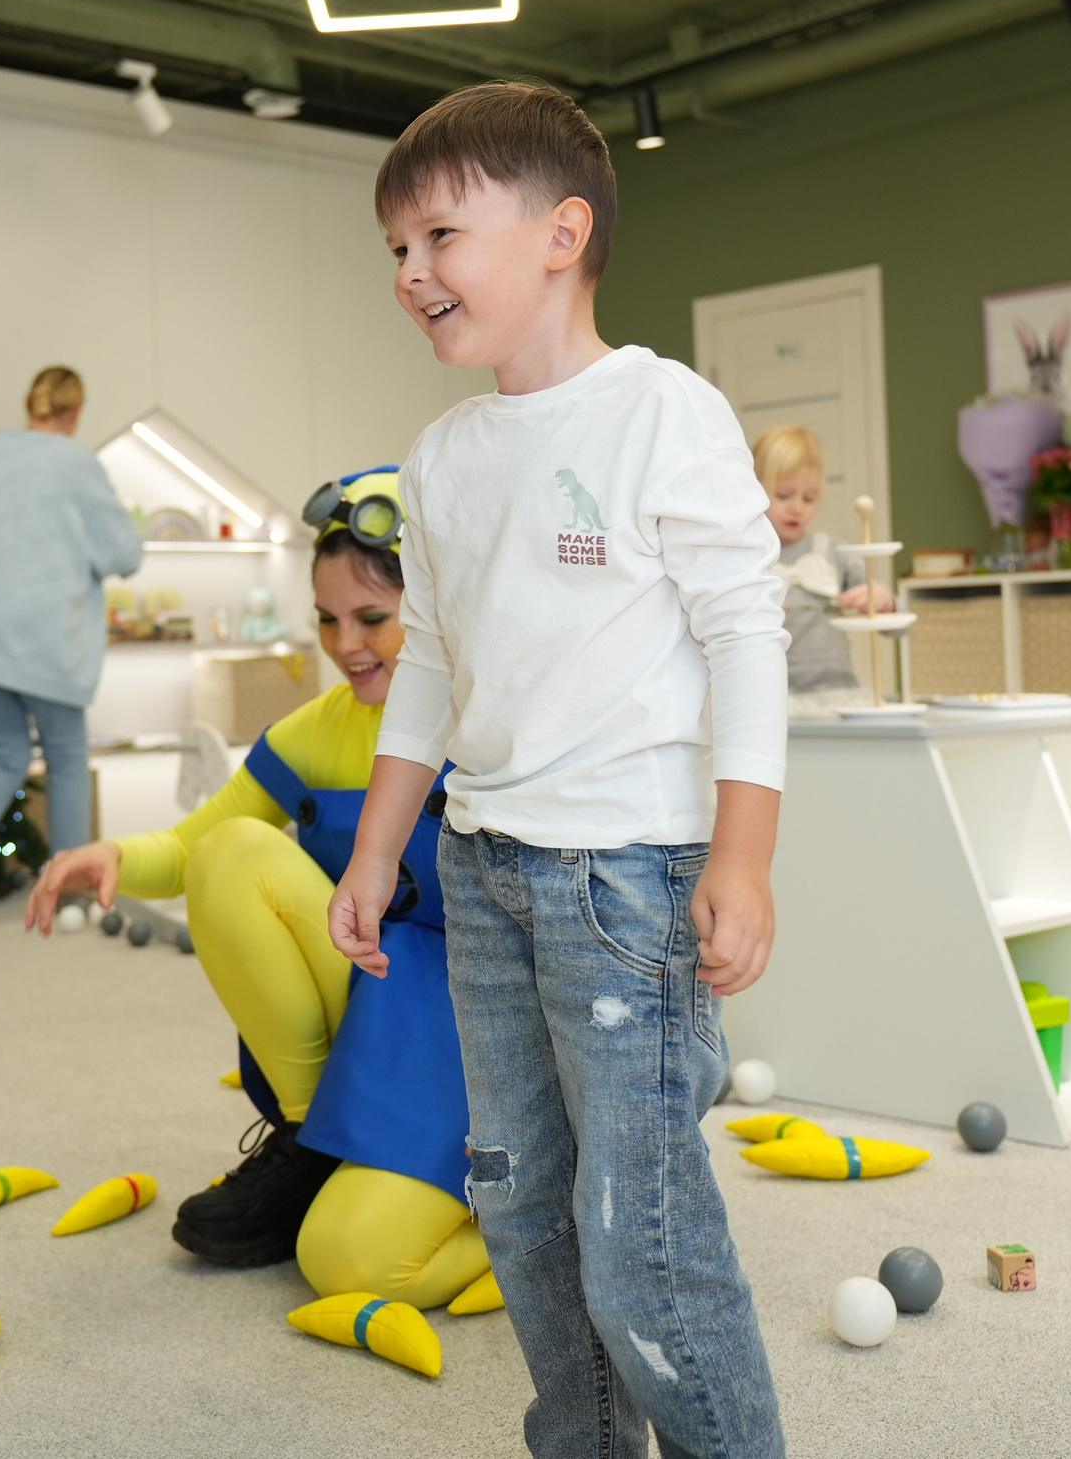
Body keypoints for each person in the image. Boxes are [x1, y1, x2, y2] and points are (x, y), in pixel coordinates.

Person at [331, 81, 790, 1458]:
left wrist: (744, 853)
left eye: (440, 236)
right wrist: (374, 845)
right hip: (483, 874)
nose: (413, 274)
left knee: (637, 1235)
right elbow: (431, 665)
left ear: (560, 232)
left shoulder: (663, 408)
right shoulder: (442, 455)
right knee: (522, 1208)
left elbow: (745, 631)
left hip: (626, 883)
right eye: (397, 250)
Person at [24, 469, 490, 1311]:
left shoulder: (492, 720)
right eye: (326, 618)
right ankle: (313, 1136)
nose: (344, 643)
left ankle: (525, 1226)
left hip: (468, 1040)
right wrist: (111, 855)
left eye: (372, 619)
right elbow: (195, 845)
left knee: (345, 1264)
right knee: (236, 852)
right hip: (372, 996)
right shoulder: (316, 728)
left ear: (432, 603)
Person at [0, 365, 141, 929]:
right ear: (75, 411)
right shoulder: (76, 465)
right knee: (66, 757)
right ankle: (67, 886)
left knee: (5, 755)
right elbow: (122, 553)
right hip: (46, 639)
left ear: (31, 405)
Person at [753, 423, 893, 717]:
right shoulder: (747, 559)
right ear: (754, 490)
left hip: (837, 693)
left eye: (808, 498)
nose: (797, 508)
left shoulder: (833, 553)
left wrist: (882, 599)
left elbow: (897, 623)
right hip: (771, 698)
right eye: (784, 495)